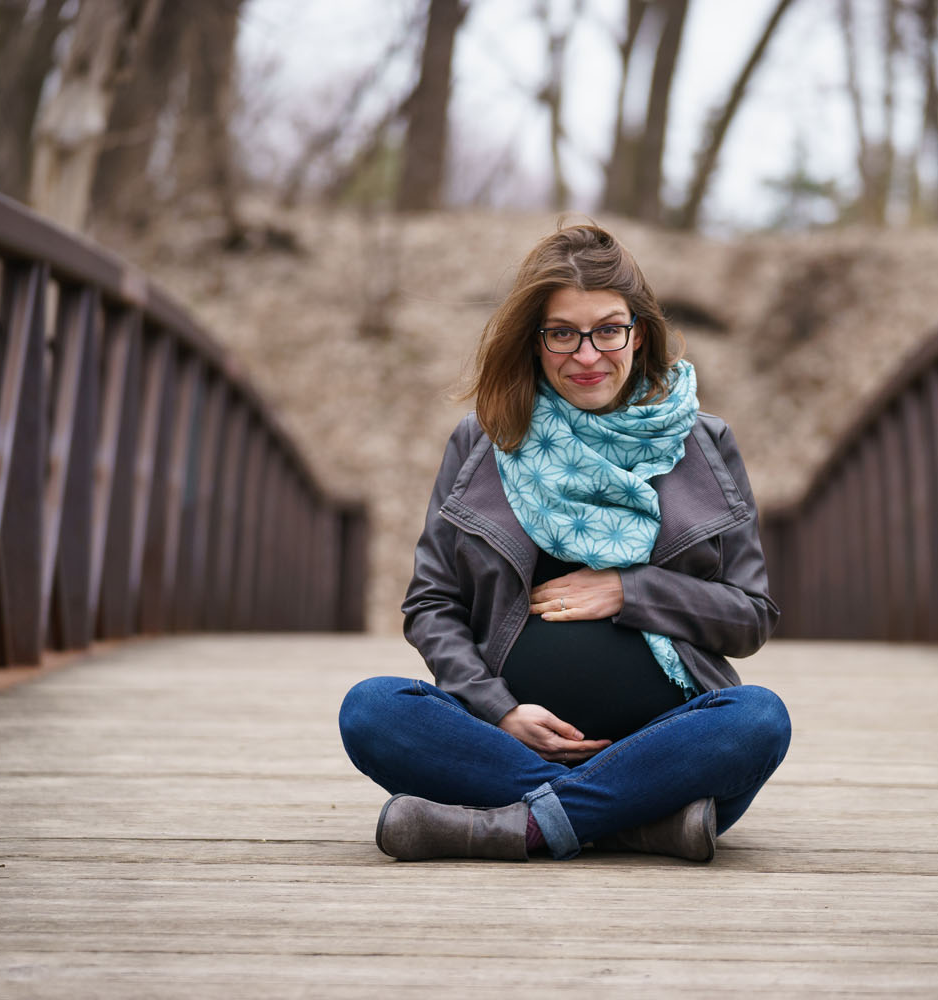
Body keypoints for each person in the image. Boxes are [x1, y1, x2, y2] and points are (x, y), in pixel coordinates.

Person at [338, 222, 790, 862]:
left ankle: (519, 823)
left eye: (608, 329)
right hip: (507, 742)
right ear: (534, 339)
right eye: (562, 333)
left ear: (640, 331)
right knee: (372, 709)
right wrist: (498, 711)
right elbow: (431, 604)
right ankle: (628, 822)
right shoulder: (484, 440)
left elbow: (750, 617)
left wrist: (630, 591)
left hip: (667, 743)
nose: (587, 355)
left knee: (758, 719)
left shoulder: (704, 443)